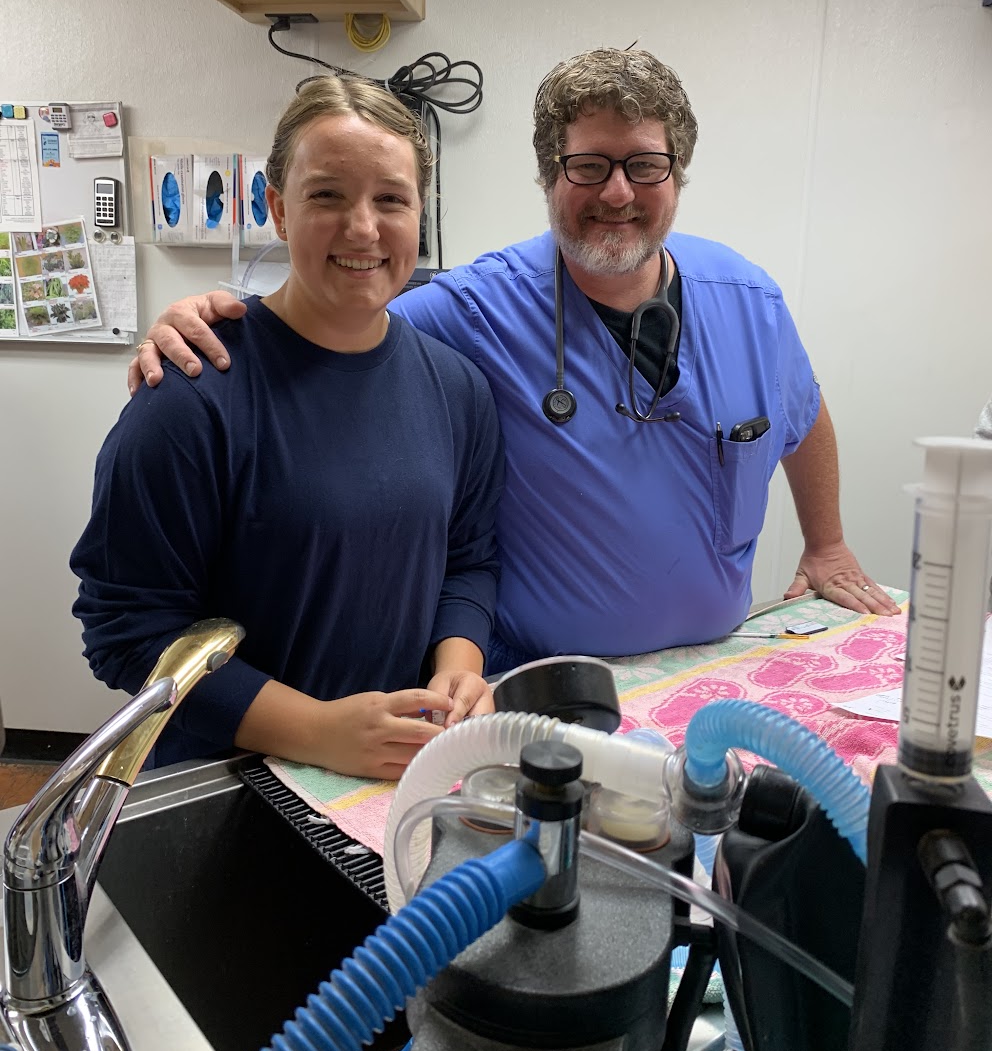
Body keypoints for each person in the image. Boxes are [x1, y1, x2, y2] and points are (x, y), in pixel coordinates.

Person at [127, 48, 898, 675]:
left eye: (646, 165)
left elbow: (803, 413)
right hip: (533, 677)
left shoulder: (749, 298)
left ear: (678, 174)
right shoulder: (471, 309)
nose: (619, 192)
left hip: (701, 668)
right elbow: (341, 303)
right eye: (588, 165)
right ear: (547, 175)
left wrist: (825, 543)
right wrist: (212, 313)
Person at [72, 75, 504, 775]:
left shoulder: (458, 390)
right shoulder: (189, 396)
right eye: (327, 195)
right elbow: (126, 629)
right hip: (226, 780)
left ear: (420, 212)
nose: (363, 227)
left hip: (394, 771)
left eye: (390, 199)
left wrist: (458, 664)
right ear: (276, 208)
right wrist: (314, 730)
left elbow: (471, 559)